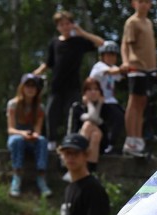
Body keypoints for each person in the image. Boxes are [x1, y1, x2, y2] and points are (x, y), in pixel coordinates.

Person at [32, 10, 104, 148]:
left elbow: (101, 43)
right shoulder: (54, 43)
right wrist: (36, 73)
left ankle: (71, 141)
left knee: (73, 115)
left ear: (72, 24)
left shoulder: (78, 41)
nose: (65, 26)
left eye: (67, 23)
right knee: (51, 114)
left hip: (73, 86)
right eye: (61, 24)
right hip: (57, 85)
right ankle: (51, 141)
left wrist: (81, 32)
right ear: (57, 27)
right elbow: (48, 63)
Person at [119, 0, 157, 157]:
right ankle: (130, 140)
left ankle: (138, 139)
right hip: (136, 66)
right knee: (133, 101)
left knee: (142, 103)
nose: (144, 5)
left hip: (149, 68)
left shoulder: (148, 22)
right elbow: (125, 44)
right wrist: (126, 62)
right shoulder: (131, 22)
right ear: (134, 3)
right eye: (141, 1)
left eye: (147, 2)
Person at [6, 73, 52, 198]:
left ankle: (41, 177)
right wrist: (22, 133)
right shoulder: (13, 105)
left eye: (33, 86)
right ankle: (17, 176)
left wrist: (34, 135)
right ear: (22, 88)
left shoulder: (39, 108)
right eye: (28, 86)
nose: (30, 89)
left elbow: (38, 129)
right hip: (17, 136)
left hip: (31, 139)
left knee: (42, 141)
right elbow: (10, 129)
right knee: (17, 141)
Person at [88, 40, 125, 154]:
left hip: (109, 101)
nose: (111, 57)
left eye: (113, 55)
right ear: (102, 56)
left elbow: (121, 75)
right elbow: (111, 71)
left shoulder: (114, 67)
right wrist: (123, 68)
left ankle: (110, 144)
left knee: (122, 116)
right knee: (116, 117)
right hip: (98, 102)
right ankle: (109, 144)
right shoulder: (99, 66)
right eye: (108, 54)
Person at [66, 77, 104, 172]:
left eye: (96, 89)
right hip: (76, 141)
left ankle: (88, 171)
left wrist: (99, 105)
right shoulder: (77, 107)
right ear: (84, 92)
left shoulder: (105, 107)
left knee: (95, 133)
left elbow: (97, 121)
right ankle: (83, 168)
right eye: (89, 89)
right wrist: (89, 104)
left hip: (100, 143)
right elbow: (92, 118)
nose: (93, 92)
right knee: (88, 125)